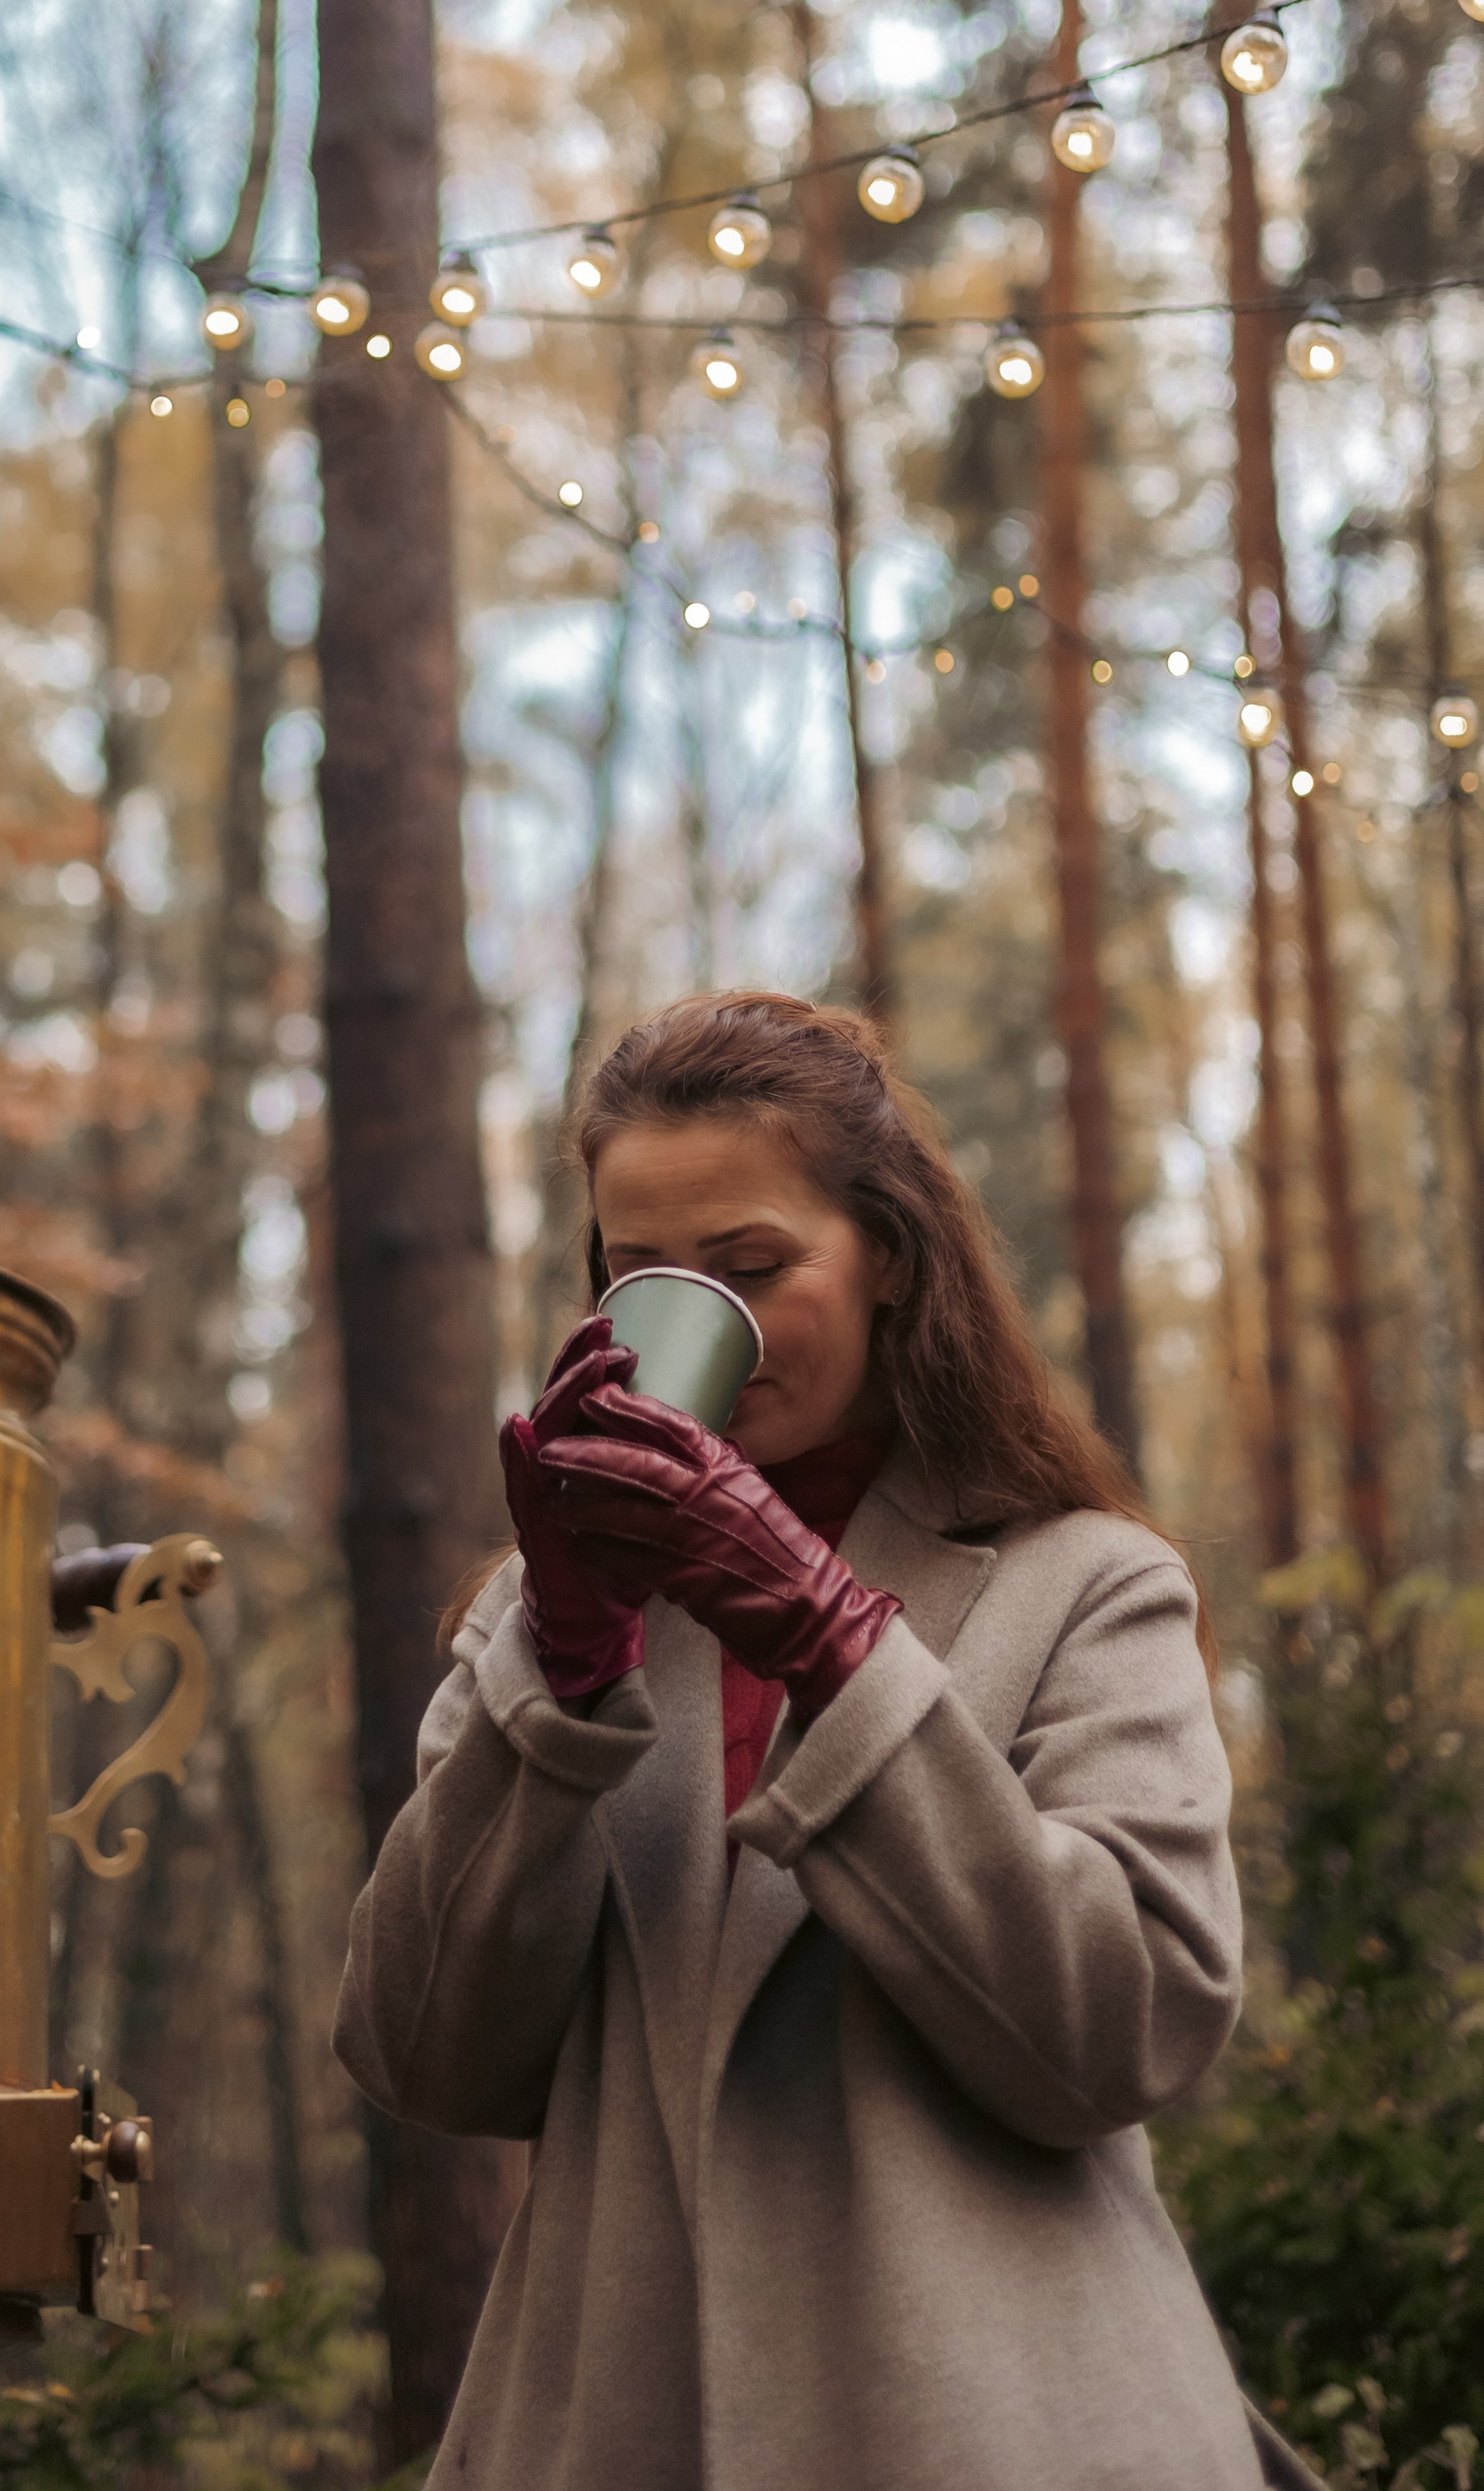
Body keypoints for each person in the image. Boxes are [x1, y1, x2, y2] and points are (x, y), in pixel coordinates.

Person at [334, 990, 1319, 2491]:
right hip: (620, 2426)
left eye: (750, 1267)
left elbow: (1126, 2031)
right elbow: (422, 2056)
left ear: (892, 1266)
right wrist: (567, 1663)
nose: (692, 1316)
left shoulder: (1084, 1583)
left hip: (1009, 2429)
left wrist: (827, 1637)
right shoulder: (543, 1623)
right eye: (637, 1273)